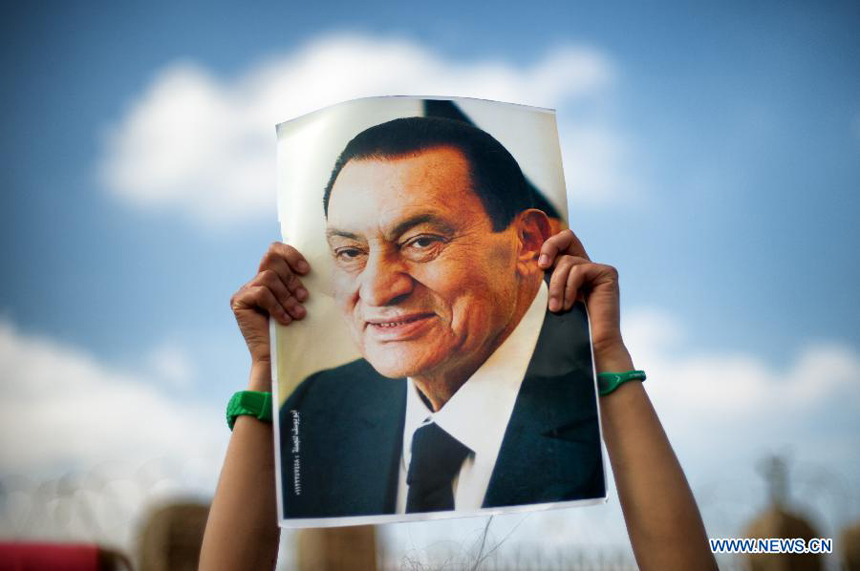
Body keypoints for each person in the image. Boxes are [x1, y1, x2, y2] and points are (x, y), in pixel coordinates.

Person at [279, 117, 602, 518]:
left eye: (422, 242)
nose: (378, 290)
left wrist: (610, 360)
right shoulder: (316, 410)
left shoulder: (606, 404)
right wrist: (263, 366)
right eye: (350, 252)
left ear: (527, 242)